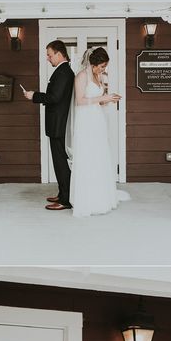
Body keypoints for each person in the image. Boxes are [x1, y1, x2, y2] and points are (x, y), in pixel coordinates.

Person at [69, 47, 129, 217]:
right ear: (93, 64)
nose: (104, 69)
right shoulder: (81, 76)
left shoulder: (99, 77)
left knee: (99, 156)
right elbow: (80, 101)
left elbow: (98, 102)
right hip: (85, 122)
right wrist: (103, 98)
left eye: (105, 66)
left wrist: (109, 99)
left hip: (98, 121)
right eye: (102, 66)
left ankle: (101, 197)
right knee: (88, 157)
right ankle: (87, 200)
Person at [22, 40, 75, 211]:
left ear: (59, 54)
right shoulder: (62, 71)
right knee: (58, 162)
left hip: (59, 125)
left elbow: (55, 98)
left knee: (61, 163)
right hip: (57, 124)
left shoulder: (64, 72)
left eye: (49, 55)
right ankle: (62, 194)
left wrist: (34, 96)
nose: (48, 58)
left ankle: (66, 200)